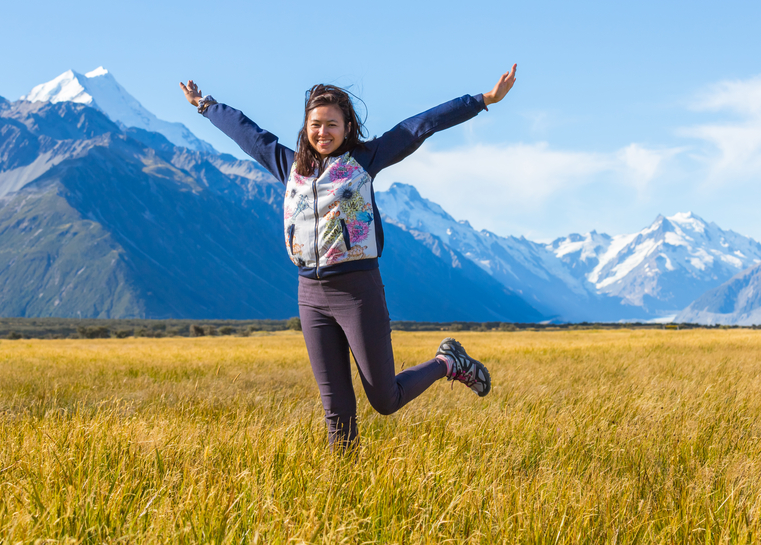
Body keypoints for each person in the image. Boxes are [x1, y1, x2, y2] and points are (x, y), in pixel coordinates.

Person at [179, 64, 517, 449]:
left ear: (347, 128)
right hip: (310, 297)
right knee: (336, 408)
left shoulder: (364, 160)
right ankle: (342, 489)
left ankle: (448, 362)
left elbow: (420, 125)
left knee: (385, 399)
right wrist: (204, 104)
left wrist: (483, 100)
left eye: (332, 125)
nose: (323, 132)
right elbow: (247, 133)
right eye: (316, 125)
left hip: (358, 293)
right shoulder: (289, 166)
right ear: (306, 128)